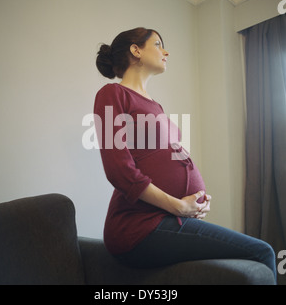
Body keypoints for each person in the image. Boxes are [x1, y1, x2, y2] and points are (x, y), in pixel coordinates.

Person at [94, 27, 276, 280]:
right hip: (138, 226)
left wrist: (197, 197)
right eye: (158, 44)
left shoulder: (154, 105)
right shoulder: (112, 94)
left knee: (250, 259)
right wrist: (178, 205)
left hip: (170, 218)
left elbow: (170, 159)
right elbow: (119, 170)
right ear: (136, 50)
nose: (166, 51)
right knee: (262, 252)